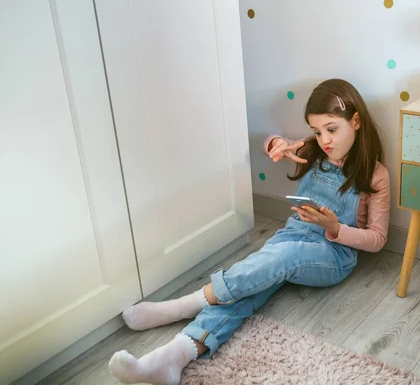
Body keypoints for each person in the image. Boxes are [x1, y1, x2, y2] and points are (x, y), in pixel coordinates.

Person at [108, 78, 391, 385]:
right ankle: (178, 353)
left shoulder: (375, 175)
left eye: (332, 129)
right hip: (292, 234)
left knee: (282, 257)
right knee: (251, 284)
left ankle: (187, 304)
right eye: (317, 131)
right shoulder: (315, 153)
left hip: (334, 253)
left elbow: (377, 239)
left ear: (356, 121)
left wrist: (335, 228)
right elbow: (270, 140)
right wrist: (274, 145)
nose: (324, 140)